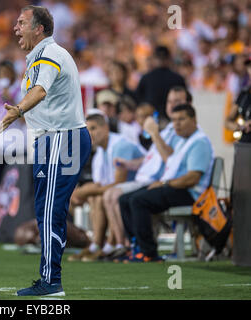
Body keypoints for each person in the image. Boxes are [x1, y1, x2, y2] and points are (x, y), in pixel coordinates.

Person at [0, 5, 91, 296]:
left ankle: (52, 282)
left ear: (39, 29)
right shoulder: (37, 58)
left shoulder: (49, 54)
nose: (16, 28)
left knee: (50, 210)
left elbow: (39, 93)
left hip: (62, 139)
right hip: (49, 140)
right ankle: (49, 278)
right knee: (45, 210)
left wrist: (17, 111)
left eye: (22, 22)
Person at [101, 86, 192, 259]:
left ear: (188, 104)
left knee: (127, 198)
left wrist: (154, 134)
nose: (172, 106)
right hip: (159, 181)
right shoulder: (169, 130)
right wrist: (128, 164)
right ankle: (133, 244)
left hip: (170, 183)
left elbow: (170, 162)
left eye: (178, 102)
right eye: (170, 102)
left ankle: (139, 248)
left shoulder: (182, 131)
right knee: (121, 198)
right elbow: (150, 159)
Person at [119, 104, 214, 262]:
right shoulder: (184, 141)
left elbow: (192, 178)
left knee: (138, 201)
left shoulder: (199, 142)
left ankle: (148, 252)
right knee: (124, 199)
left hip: (191, 193)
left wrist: (164, 183)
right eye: (174, 120)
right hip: (176, 187)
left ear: (194, 120)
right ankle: (135, 246)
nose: (177, 123)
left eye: (181, 119)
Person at [67, 112, 144, 262]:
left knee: (103, 195)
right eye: (87, 130)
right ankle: (97, 245)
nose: (90, 134)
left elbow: (118, 183)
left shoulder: (120, 145)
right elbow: (100, 185)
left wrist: (83, 191)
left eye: (94, 128)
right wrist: (85, 191)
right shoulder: (100, 153)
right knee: (95, 197)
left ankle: (114, 244)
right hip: (124, 190)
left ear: (106, 128)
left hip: (140, 186)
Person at [135, 45, 186, 125]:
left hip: (151, 120)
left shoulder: (147, 77)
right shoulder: (177, 78)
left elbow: (138, 99)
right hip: (173, 120)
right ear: (169, 59)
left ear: (154, 59)